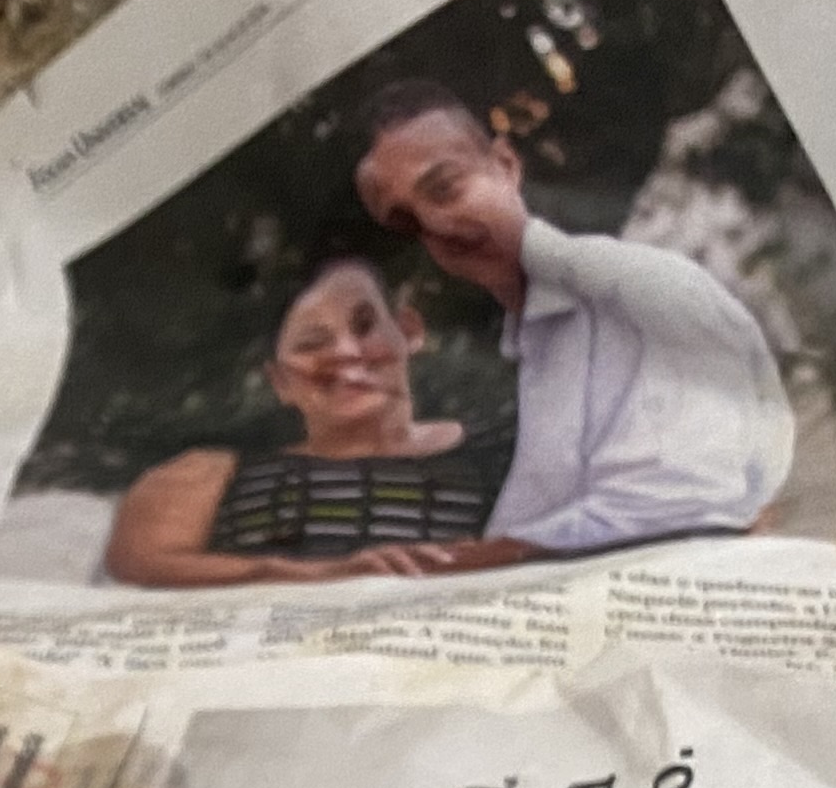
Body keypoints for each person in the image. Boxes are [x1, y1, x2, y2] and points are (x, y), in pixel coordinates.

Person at [351, 75, 794, 556]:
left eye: (445, 188)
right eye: (408, 223)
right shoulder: (529, 344)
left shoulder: (625, 291)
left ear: (505, 166)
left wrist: (472, 563)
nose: (436, 227)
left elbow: (680, 505)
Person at [103, 252, 536, 588]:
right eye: (313, 343)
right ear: (281, 382)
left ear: (408, 330)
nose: (346, 352)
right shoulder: (211, 474)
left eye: (365, 325)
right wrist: (321, 575)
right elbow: (137, 558)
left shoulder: (514, 446)